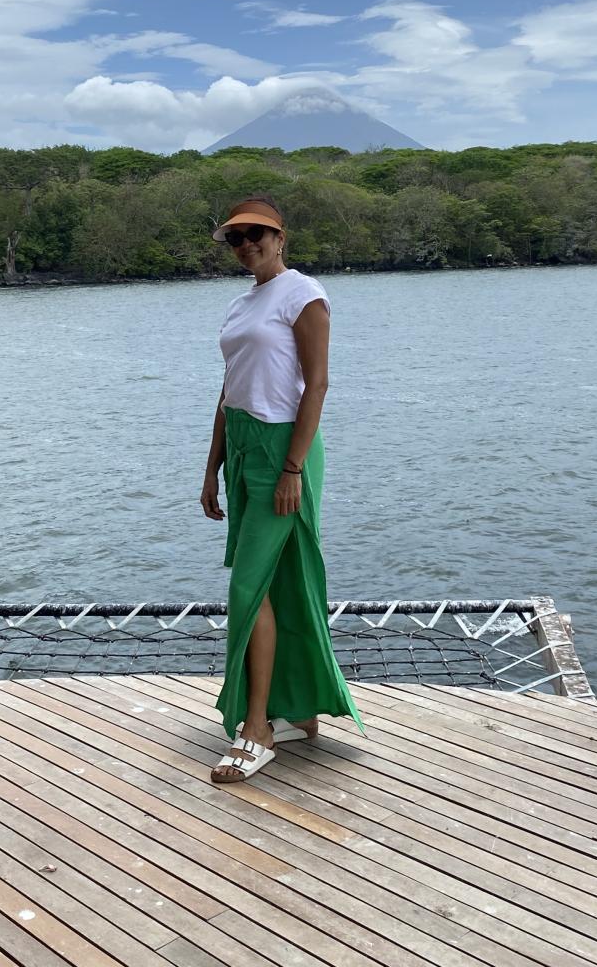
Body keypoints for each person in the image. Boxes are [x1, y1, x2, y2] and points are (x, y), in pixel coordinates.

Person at [200, 195, 363, 784]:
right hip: (244, 446)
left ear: (280, 237)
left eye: (256, 234)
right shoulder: (241, 304)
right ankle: (297, 710)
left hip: (282, 447)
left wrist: (293, 468)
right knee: (275, 581)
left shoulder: (303, 294)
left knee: (249, 586)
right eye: (235, 237)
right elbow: (229, 390)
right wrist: (212, 466)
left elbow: (316, 385)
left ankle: (258, 727)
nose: (246, 244)